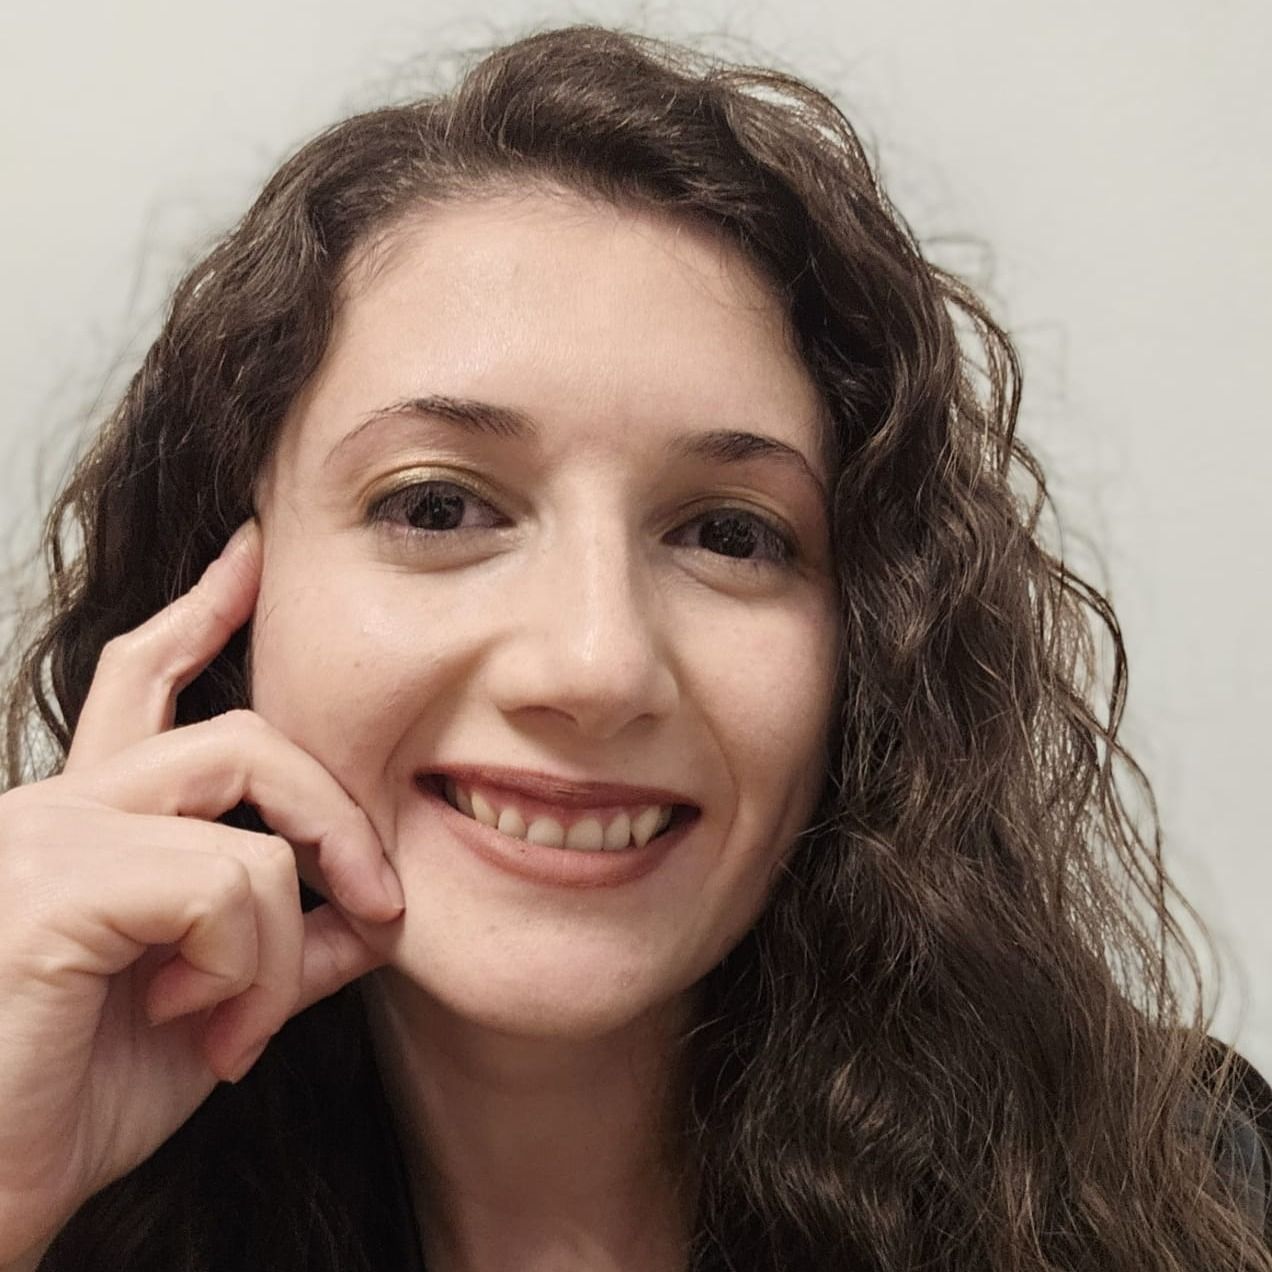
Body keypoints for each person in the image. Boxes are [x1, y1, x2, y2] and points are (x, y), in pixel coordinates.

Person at [0, 22, 1268, 1272]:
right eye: (437, 508)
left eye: (728, 534)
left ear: (868, 645)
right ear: (223, 594)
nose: (596, 666)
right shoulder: (56, 1199)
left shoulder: (1201, 1187)